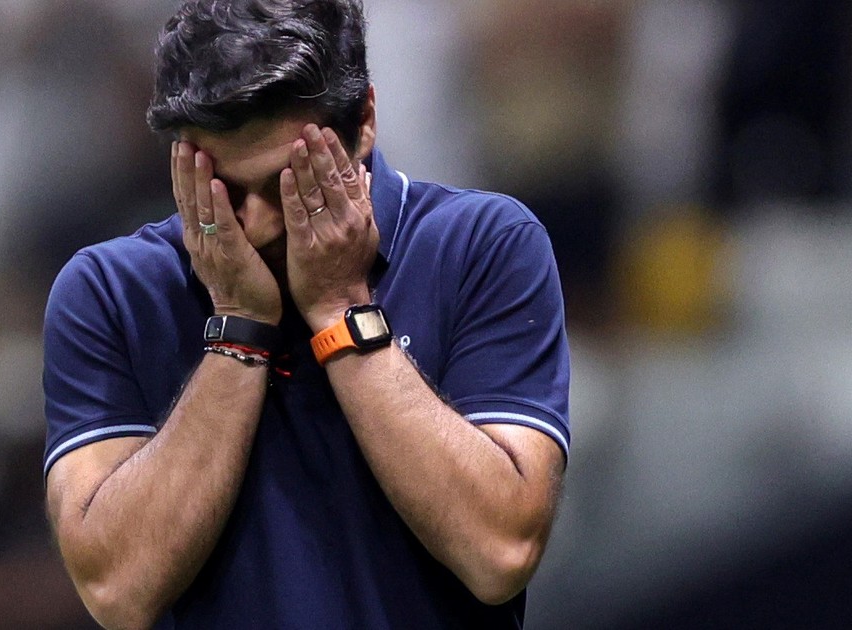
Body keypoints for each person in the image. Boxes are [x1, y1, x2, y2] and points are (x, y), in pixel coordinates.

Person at [42, 1, 570, 628]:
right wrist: (239, 324)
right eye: (224, 190)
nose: (259, 226)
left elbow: (500, 553)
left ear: (364, 122)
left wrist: (341, 307)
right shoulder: (109, 291)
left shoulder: (484, 245)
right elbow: (116, 590)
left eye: (289, 183)